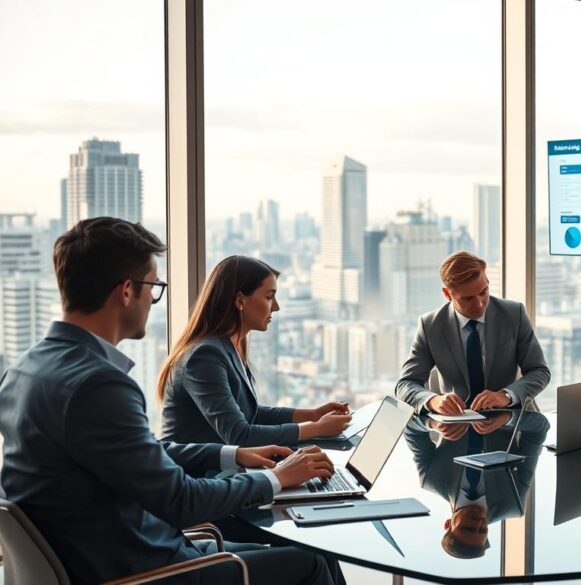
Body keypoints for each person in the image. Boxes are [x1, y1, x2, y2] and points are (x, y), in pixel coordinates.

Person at [0, 218, 341, 584]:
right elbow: (180, 501)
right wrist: (276, 478)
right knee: (312, 563)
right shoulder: (98, 384)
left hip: (118, 553)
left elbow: (139, 455)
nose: (153, 299)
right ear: (127, 291)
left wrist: (230, 454)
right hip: (145, 570)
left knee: (307, 553)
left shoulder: (25, 370)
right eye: (154, 286)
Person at [159, 255, 351, 446]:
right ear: (240, 301)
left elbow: (251, 414)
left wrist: (313, 415)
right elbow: (240, 435)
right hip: (193, 473)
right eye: (269, 297)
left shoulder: (230, 346)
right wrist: (316, 428)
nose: (276, 307)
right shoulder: (205, 356)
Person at [395, 251, 550, 414]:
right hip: (456, 427)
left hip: (512, 421)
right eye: (467, 298)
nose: (479, 304)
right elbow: (405, 384)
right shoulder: (430, 326)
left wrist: (506, 396)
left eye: (483, 291)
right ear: (447, 294)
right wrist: (433, 401)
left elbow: (540, 371)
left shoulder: (514, 314)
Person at [403, 411, 549, 559]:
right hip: (504, 397)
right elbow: (540, 428)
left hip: (457, 398)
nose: (479, 522)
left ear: (448, 524)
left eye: (469, 527)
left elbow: (410, 427)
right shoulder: (513, 502)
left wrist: (433, 424)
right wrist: (507, 418)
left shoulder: (431, 479)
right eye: (483, 530)